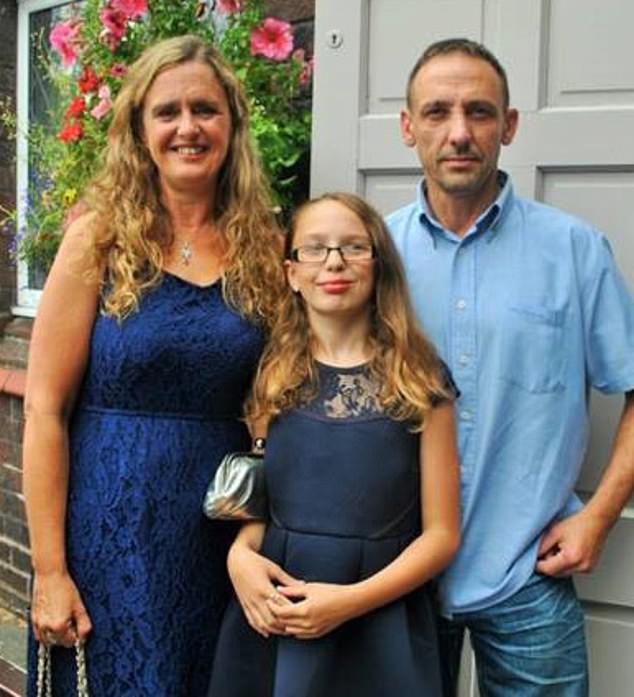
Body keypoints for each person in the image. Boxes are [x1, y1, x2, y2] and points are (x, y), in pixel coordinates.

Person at [22, 34, 285, 696]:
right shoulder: (98, 237)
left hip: (217, 534)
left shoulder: (266, 245)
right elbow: (44, 408)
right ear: (139, 131)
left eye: (205, 109)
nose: (187, 127)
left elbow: (279, 402)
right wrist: (50, 570)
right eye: (167, 112)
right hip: (108, 527)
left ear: (232, 123)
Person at [386, 37, 634, 697]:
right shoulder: (370, 256)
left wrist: (599, 515)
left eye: (480, 112)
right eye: (437, 112)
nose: (459, 132)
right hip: (395, 573)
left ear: (511, 125)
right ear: (408, 128)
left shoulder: (574, 251)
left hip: (527, 570)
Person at [206, 192, 461, 697]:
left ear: (378, 264)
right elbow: (261, 499)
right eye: (315, 249)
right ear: (292, 273)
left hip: (381, 620)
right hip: (279, 610)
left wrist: (348, 602)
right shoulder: (271, 379)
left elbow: (442, 536)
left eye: (353, 247)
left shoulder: (420, 381)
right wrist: (240, 557)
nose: (335, 262)